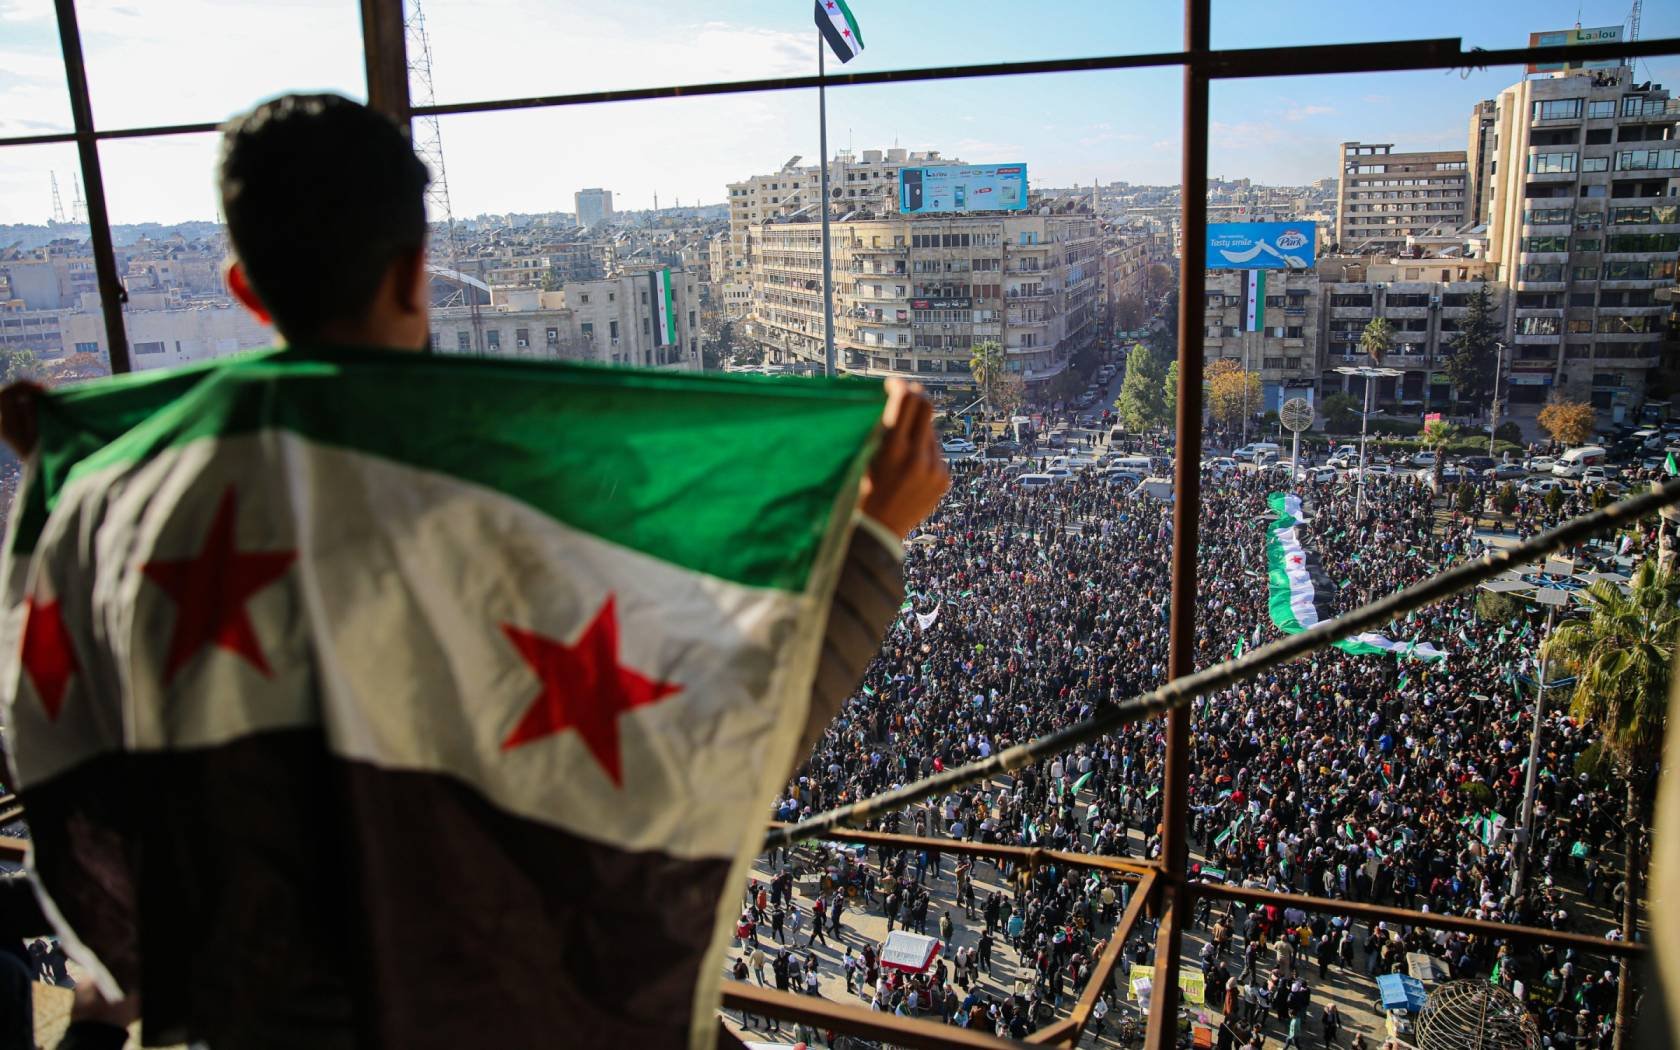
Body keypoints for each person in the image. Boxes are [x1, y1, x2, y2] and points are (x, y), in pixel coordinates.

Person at [0, 94, 951, 1049]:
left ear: (245, 289)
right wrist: (872, 541)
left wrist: (75, 466)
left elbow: (74, 752)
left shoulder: (130, 503)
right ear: (417, 270)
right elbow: (708, 746)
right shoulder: (499, 518)